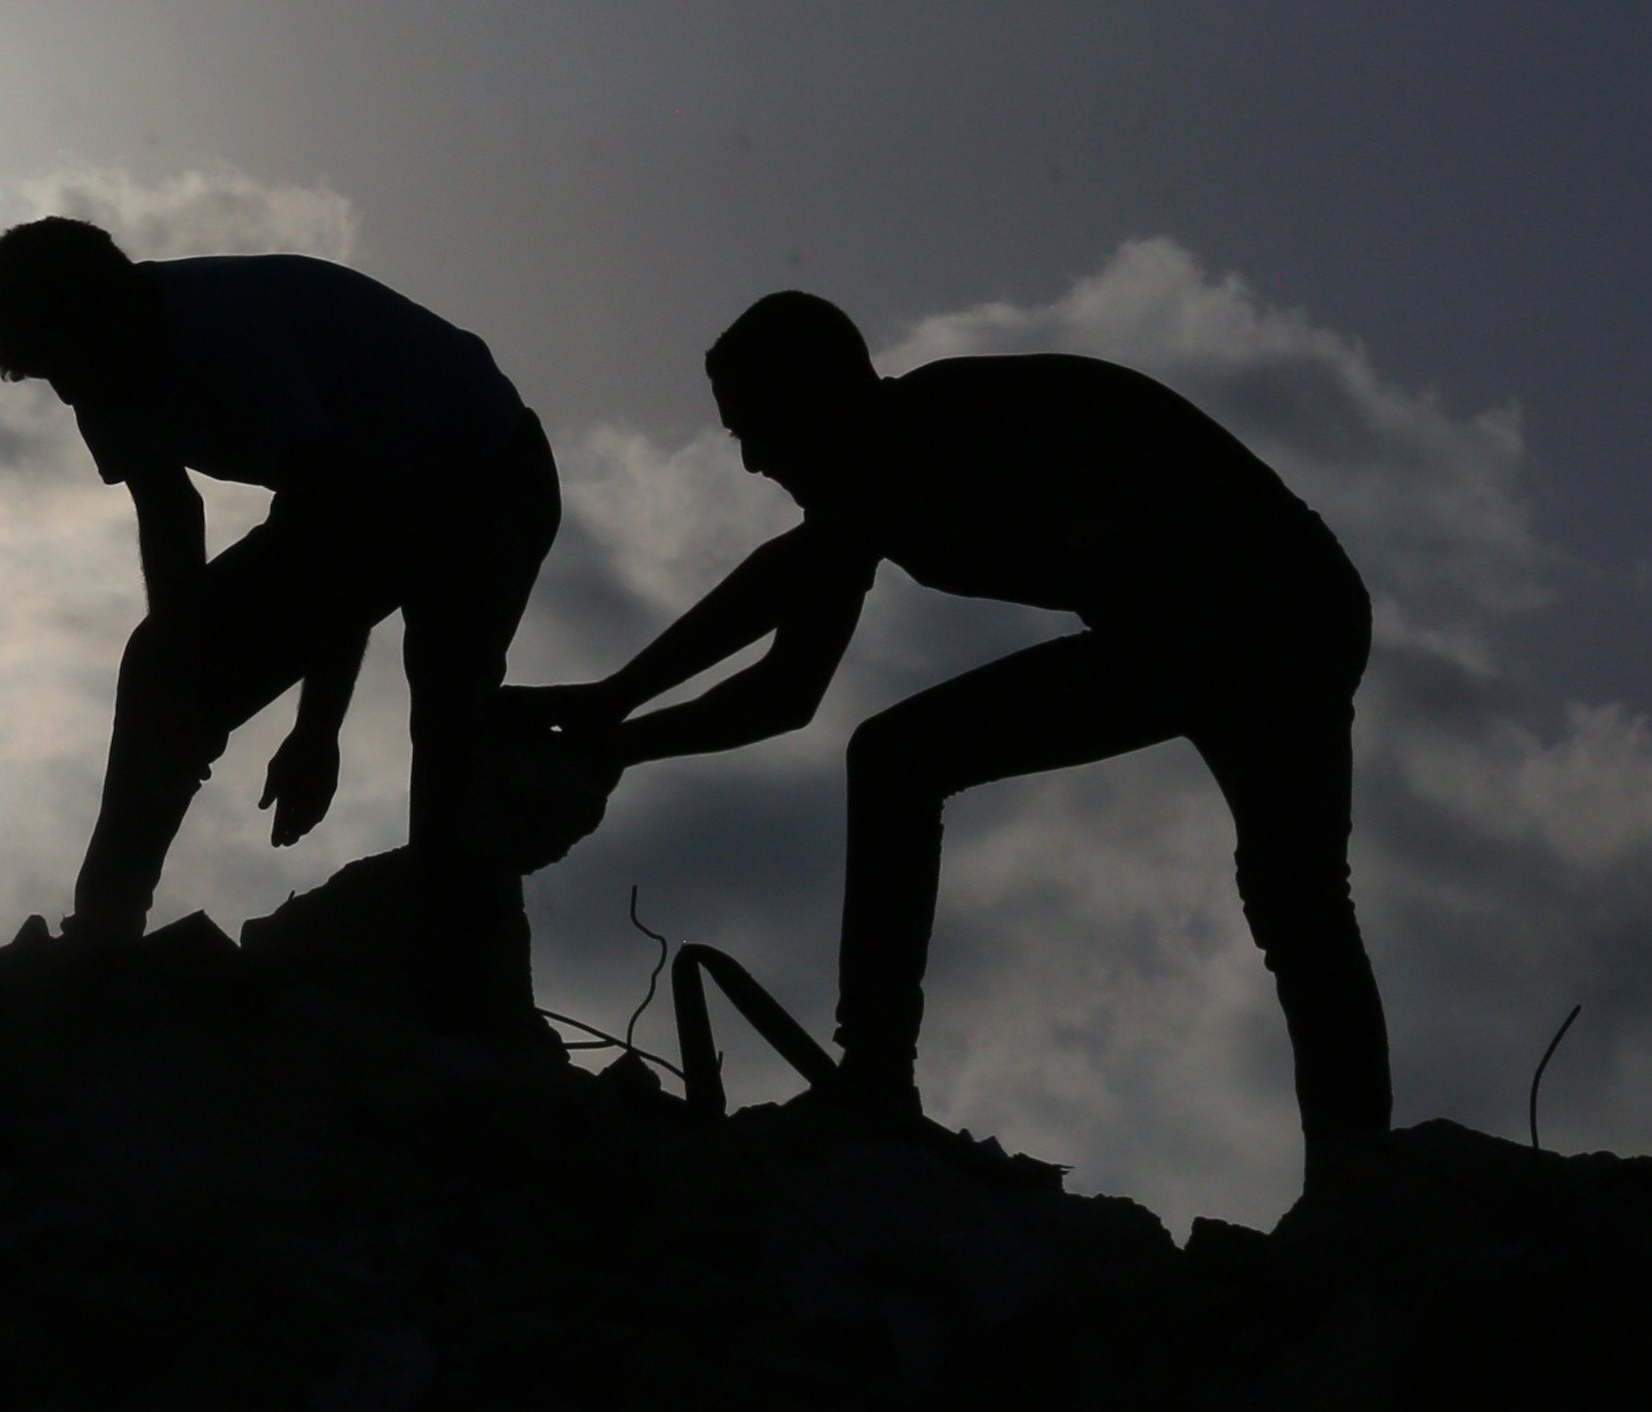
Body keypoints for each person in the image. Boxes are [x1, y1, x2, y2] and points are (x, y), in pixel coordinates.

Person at [531, 289, 1392, 1178]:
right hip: (1221, 621)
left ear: (822, 399)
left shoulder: (944, 427)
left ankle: (1357, 1173)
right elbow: (786, 692)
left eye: (759, 428)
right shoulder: (871, 488)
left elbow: (785, 588)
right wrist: (614, 725)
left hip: (1277, 608)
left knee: (1291, 894)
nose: (752, 462)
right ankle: (1357, 1170)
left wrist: (614, 707)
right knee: (1294, 897)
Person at [0, 215, 562, 981]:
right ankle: (104, 934)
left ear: (103, 315)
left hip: (486, 479)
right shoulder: (95, 372)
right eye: (47, 377)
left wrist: (316, 732)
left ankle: (464, 978)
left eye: (63, 366)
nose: (66, 394)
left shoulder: (228, 335)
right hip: (352, 491)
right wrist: (183, 685)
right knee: (158, 671)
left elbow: (340, 545)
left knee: (449, 717)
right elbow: (171, 517)